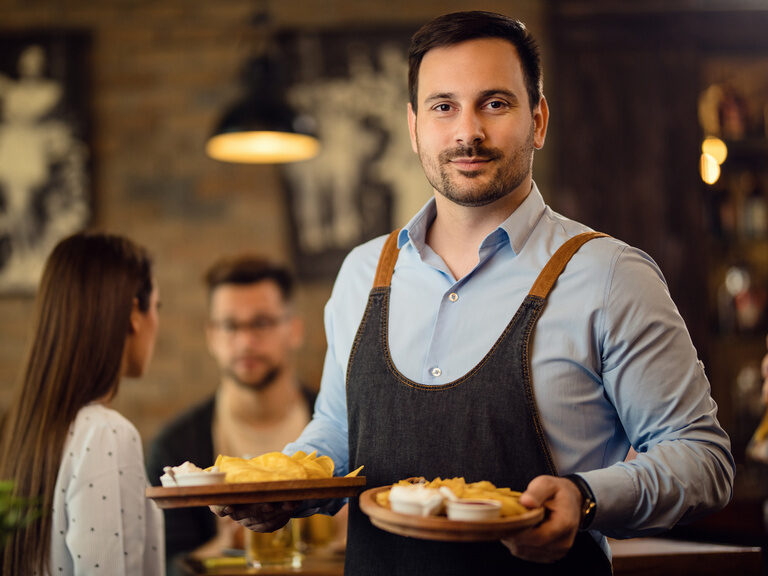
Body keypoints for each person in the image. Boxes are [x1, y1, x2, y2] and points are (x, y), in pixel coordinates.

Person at [216, 11, 735, 575]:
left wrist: (585, 497)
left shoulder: (610, 275)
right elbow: (340, 431)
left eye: (495, 103)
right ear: (414, 127)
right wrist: (282, 483)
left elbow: (702, 460)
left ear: (538, 120)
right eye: (444, 107)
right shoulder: (362, 273)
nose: (468, 132)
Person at [0, 232, 163, 576]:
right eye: (157, 307)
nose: (156, 323)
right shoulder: (106, 435)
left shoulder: (17, 427)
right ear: (135, 312)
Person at [147, 256, 322, 573]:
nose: (245, 341)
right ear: (212, 336)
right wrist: (225, 547)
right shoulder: (173, 448)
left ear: (294, 330)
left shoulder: (343, 428)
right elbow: (160, 567)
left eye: (262, 323)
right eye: (230, 326)